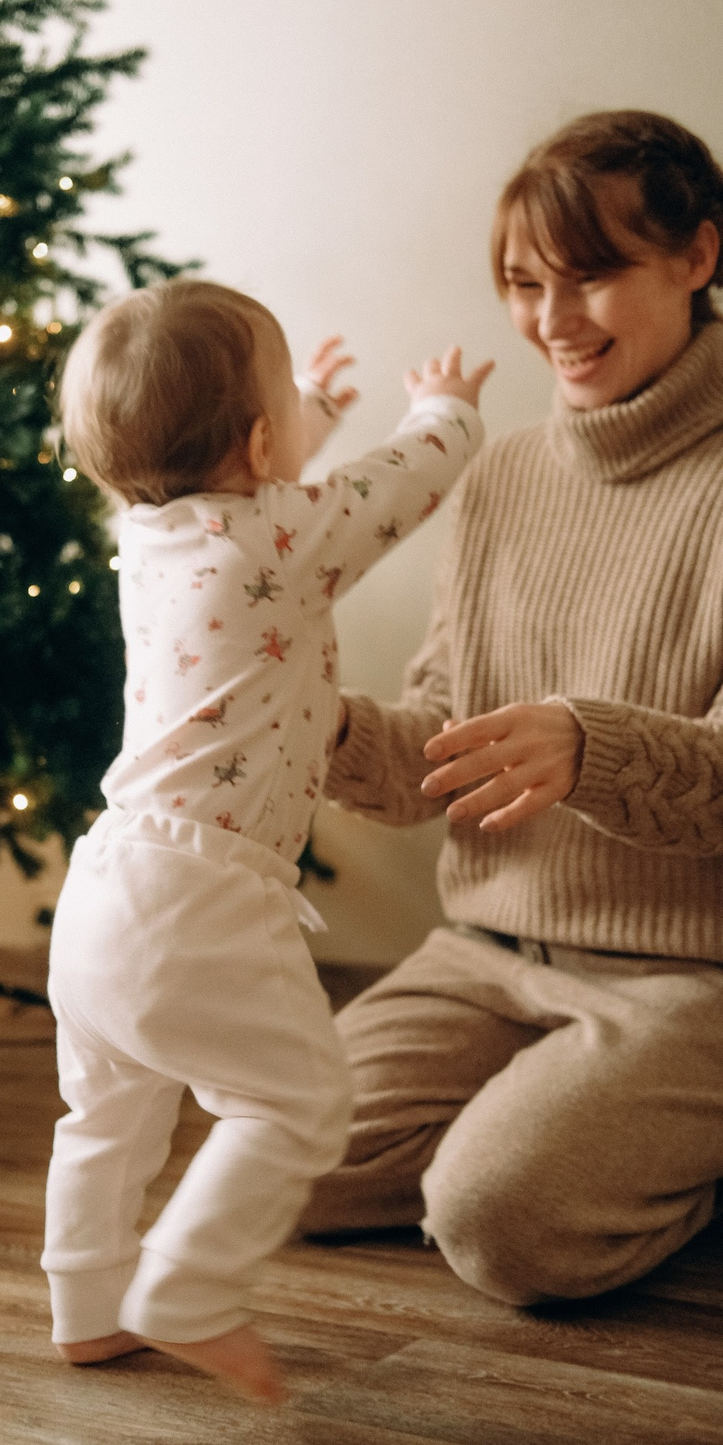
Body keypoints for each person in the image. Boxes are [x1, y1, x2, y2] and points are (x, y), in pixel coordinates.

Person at [40, 278, 493, 1402]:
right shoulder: (279, 539)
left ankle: (85, 1304)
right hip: (201, 892)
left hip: (105, 884)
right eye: (280, 415)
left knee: (108, 1110)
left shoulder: (142, 534)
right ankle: (189, 1283)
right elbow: (392, 493)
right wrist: (443, 409)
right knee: (298, 1100)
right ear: (257, 442)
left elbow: (232, 488)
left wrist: (305, 413)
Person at [300, 109, 723, 1310]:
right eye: (525, 285)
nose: (551, 322)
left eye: (593, 277)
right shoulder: (497, 476)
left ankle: (602, 1133)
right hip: (485, 955)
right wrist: (321, 728)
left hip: (690, 977)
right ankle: (572, 1123)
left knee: (502, 1223)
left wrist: (587, 745)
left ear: (696, 256)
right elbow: (440, 735)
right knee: (269, 1169)